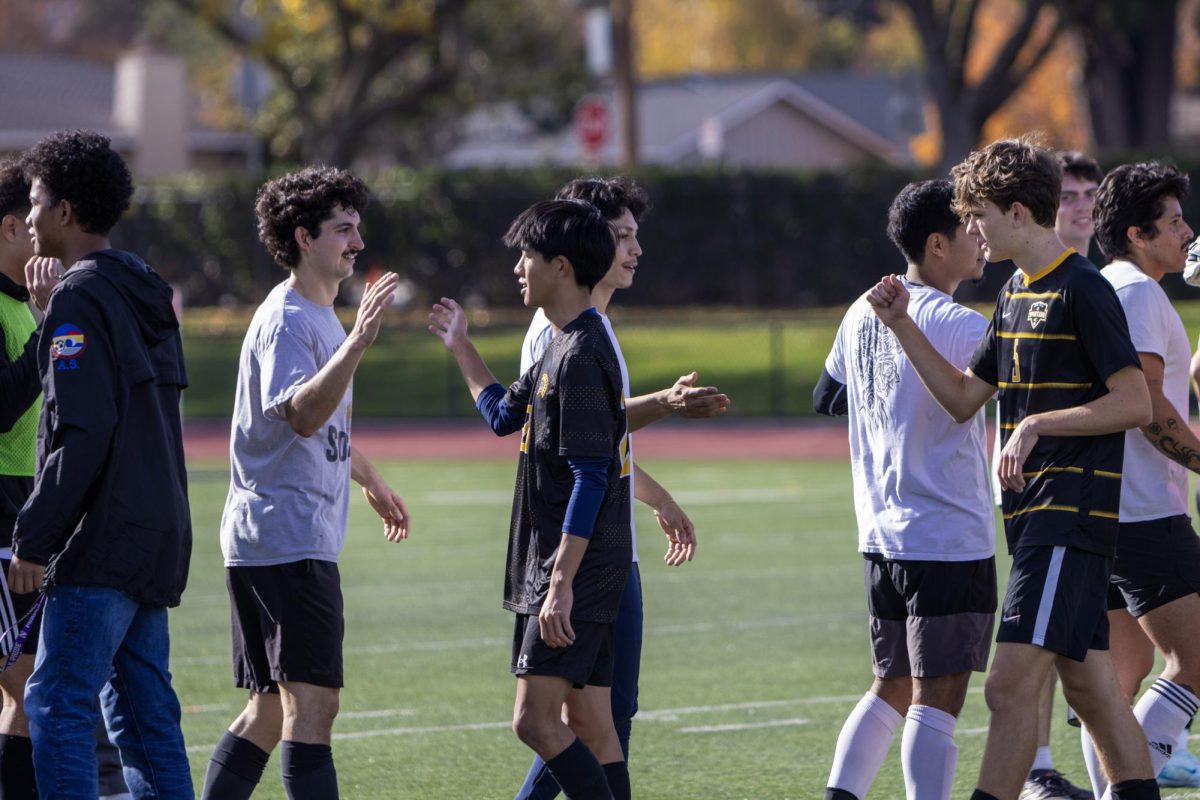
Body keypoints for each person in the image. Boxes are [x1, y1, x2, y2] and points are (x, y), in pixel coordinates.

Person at [865, 137, 1159, 800]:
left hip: (1070, 518)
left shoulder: (1084, 290)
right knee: (1091, 690)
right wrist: (903, 325)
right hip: (1030, 522)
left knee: (1005, 687)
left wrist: (1036, 424)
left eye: (980, 216)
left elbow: (1134, 402)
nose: (972, 229)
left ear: (1019, 213)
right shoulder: (1013, 294)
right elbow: (966, 398)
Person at [514, 176, 727, 800]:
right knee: (588, 721)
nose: (635, 249)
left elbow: (596, 433)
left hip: (588, 545)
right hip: (582, 551)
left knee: (592, 720)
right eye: (623, 235)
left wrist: (658, 483)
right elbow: (579, 452)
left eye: (637, 235)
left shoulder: (590, 326)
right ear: (583, 243)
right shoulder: (565, 332)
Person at [201, 166, 408, 800]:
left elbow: (317, 424)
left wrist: (366, 474)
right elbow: (301, 412)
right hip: (286, 539)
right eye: (342, 229)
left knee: (269, 712)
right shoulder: (290, 319)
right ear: (302, 237)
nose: (356, 242)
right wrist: (361, 342)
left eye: (357, 228)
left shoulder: (315, 314)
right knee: (312, 709)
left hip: (274, 537)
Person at [11, 128, 193, 798]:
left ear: (64, 211)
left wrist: (35, 534)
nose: (28, 216)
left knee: (57, 704)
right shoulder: (143, 286)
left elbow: (84, 430)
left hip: (101, 540)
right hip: (159, 532)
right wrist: (47, 318)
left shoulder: (80, 297)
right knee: (145, 721)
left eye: (34, 200)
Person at [430, 199, 632, 800]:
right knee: (592, 727)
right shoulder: (555, 342)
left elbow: (593, 476)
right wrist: (461, 345)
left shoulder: (580, 355)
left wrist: (561, 583)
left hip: (575, 570)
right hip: (567, 565)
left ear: (562, 267)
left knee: (533, 720)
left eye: (528, 256)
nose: (518, 267)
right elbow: (501, 415)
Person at [814, 180, 995, 800]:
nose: (982, 238)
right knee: (938, 699)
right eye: (971, 227)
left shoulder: (861, 309)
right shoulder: (960, 324)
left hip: (881, 532)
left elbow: (826, 396)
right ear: (937, 244)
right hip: (945, 533)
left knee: (890, 686)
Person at [1076, 162, 1200, 799]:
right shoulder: (1140, 294)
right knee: (1196, 659)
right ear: (1137, 234)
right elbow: (1150, 404)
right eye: (1174, 221)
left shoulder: (1113, 285)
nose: (1186, 231)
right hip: (1144, 509)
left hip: (1105, 508)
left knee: (1120, 677)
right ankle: (1134, 787)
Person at [1018, 150, 1105, 800]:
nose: (1079, 205)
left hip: (1101, 501)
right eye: (1069, 193)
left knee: (1095, 671)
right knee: (1046, 654)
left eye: (1088, 194)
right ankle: (1038, 766)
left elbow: (1132, 397)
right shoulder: (1031, 286)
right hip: (1050, 501)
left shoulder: (1094, 285)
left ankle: (1127, 775)